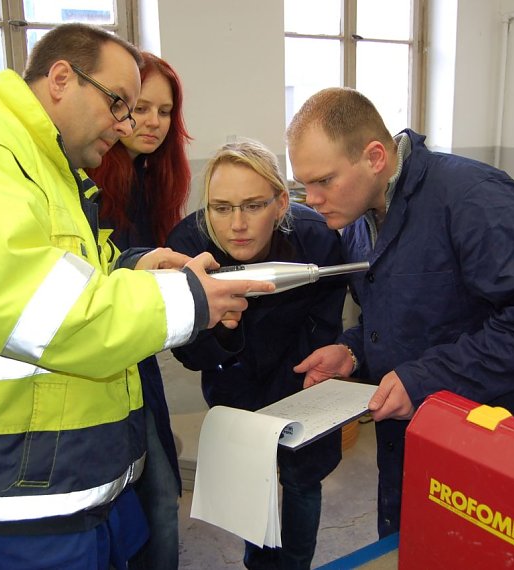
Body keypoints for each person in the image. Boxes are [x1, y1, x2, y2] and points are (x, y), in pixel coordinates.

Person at [0, 23, 271, 570]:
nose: (126, 124)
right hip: (9, 497)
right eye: (119, 103)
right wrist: (188, 301)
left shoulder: (48, 169)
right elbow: (43, 314)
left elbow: (73, 276)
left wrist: (137, 266)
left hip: (64, 478)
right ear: (62, 78)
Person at [286, 87, 514, 539]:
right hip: (409, 439)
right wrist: (353, 351)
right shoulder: (360, 219)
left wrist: (422, 378)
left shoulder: (473, 198)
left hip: (491, 434)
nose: (313, 199)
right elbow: (404, 316)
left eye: (324, 181)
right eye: (305, 184)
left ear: (375, 157)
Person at [166, 139, 346, 570]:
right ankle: (257, 563)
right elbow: (189, 353)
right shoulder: (188, 246)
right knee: (252, 480)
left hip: (302, 373)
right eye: (221, 208)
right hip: (235, 376)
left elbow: (326, 322)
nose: (237, 225)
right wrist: (221, 332)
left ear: (281, 203)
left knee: (302, 480)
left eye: (253, 205)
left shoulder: (316, 238)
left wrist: (315, 374)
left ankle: (296, 564)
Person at [85, 51, 191, 570]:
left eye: (164, 111)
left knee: (159, 495)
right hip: (99, 361)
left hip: (136, 358)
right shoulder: (91, 181)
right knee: (151, 500)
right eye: (139, 107)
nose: (152, 122)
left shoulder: (153, 176)